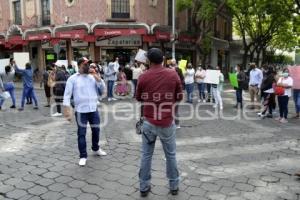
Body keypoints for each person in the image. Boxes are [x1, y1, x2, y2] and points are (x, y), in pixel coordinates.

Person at [136, 48, 183, 197]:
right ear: (163, 59)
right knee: (171, 155)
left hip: (149, 122)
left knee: (146, 155)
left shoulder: (143, 76)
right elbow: (179, 96)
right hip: (167, 122)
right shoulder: (172, 74)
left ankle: (144, 187)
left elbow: (138, 98)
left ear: (149, 61)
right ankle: (174, 185)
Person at [63, 57, 107, 166]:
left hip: (93, 109)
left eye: (88, 64)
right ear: (79, 66)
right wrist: (67, 110)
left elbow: (103, 91)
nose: (88, 66)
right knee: (81, 133)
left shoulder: (93, 77)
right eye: (85, 64)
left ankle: (96, 148)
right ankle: (83, 155)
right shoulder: (72, 79)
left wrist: (98, 78)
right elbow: (67, 95)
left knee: (96, 130)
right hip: (81, 111)